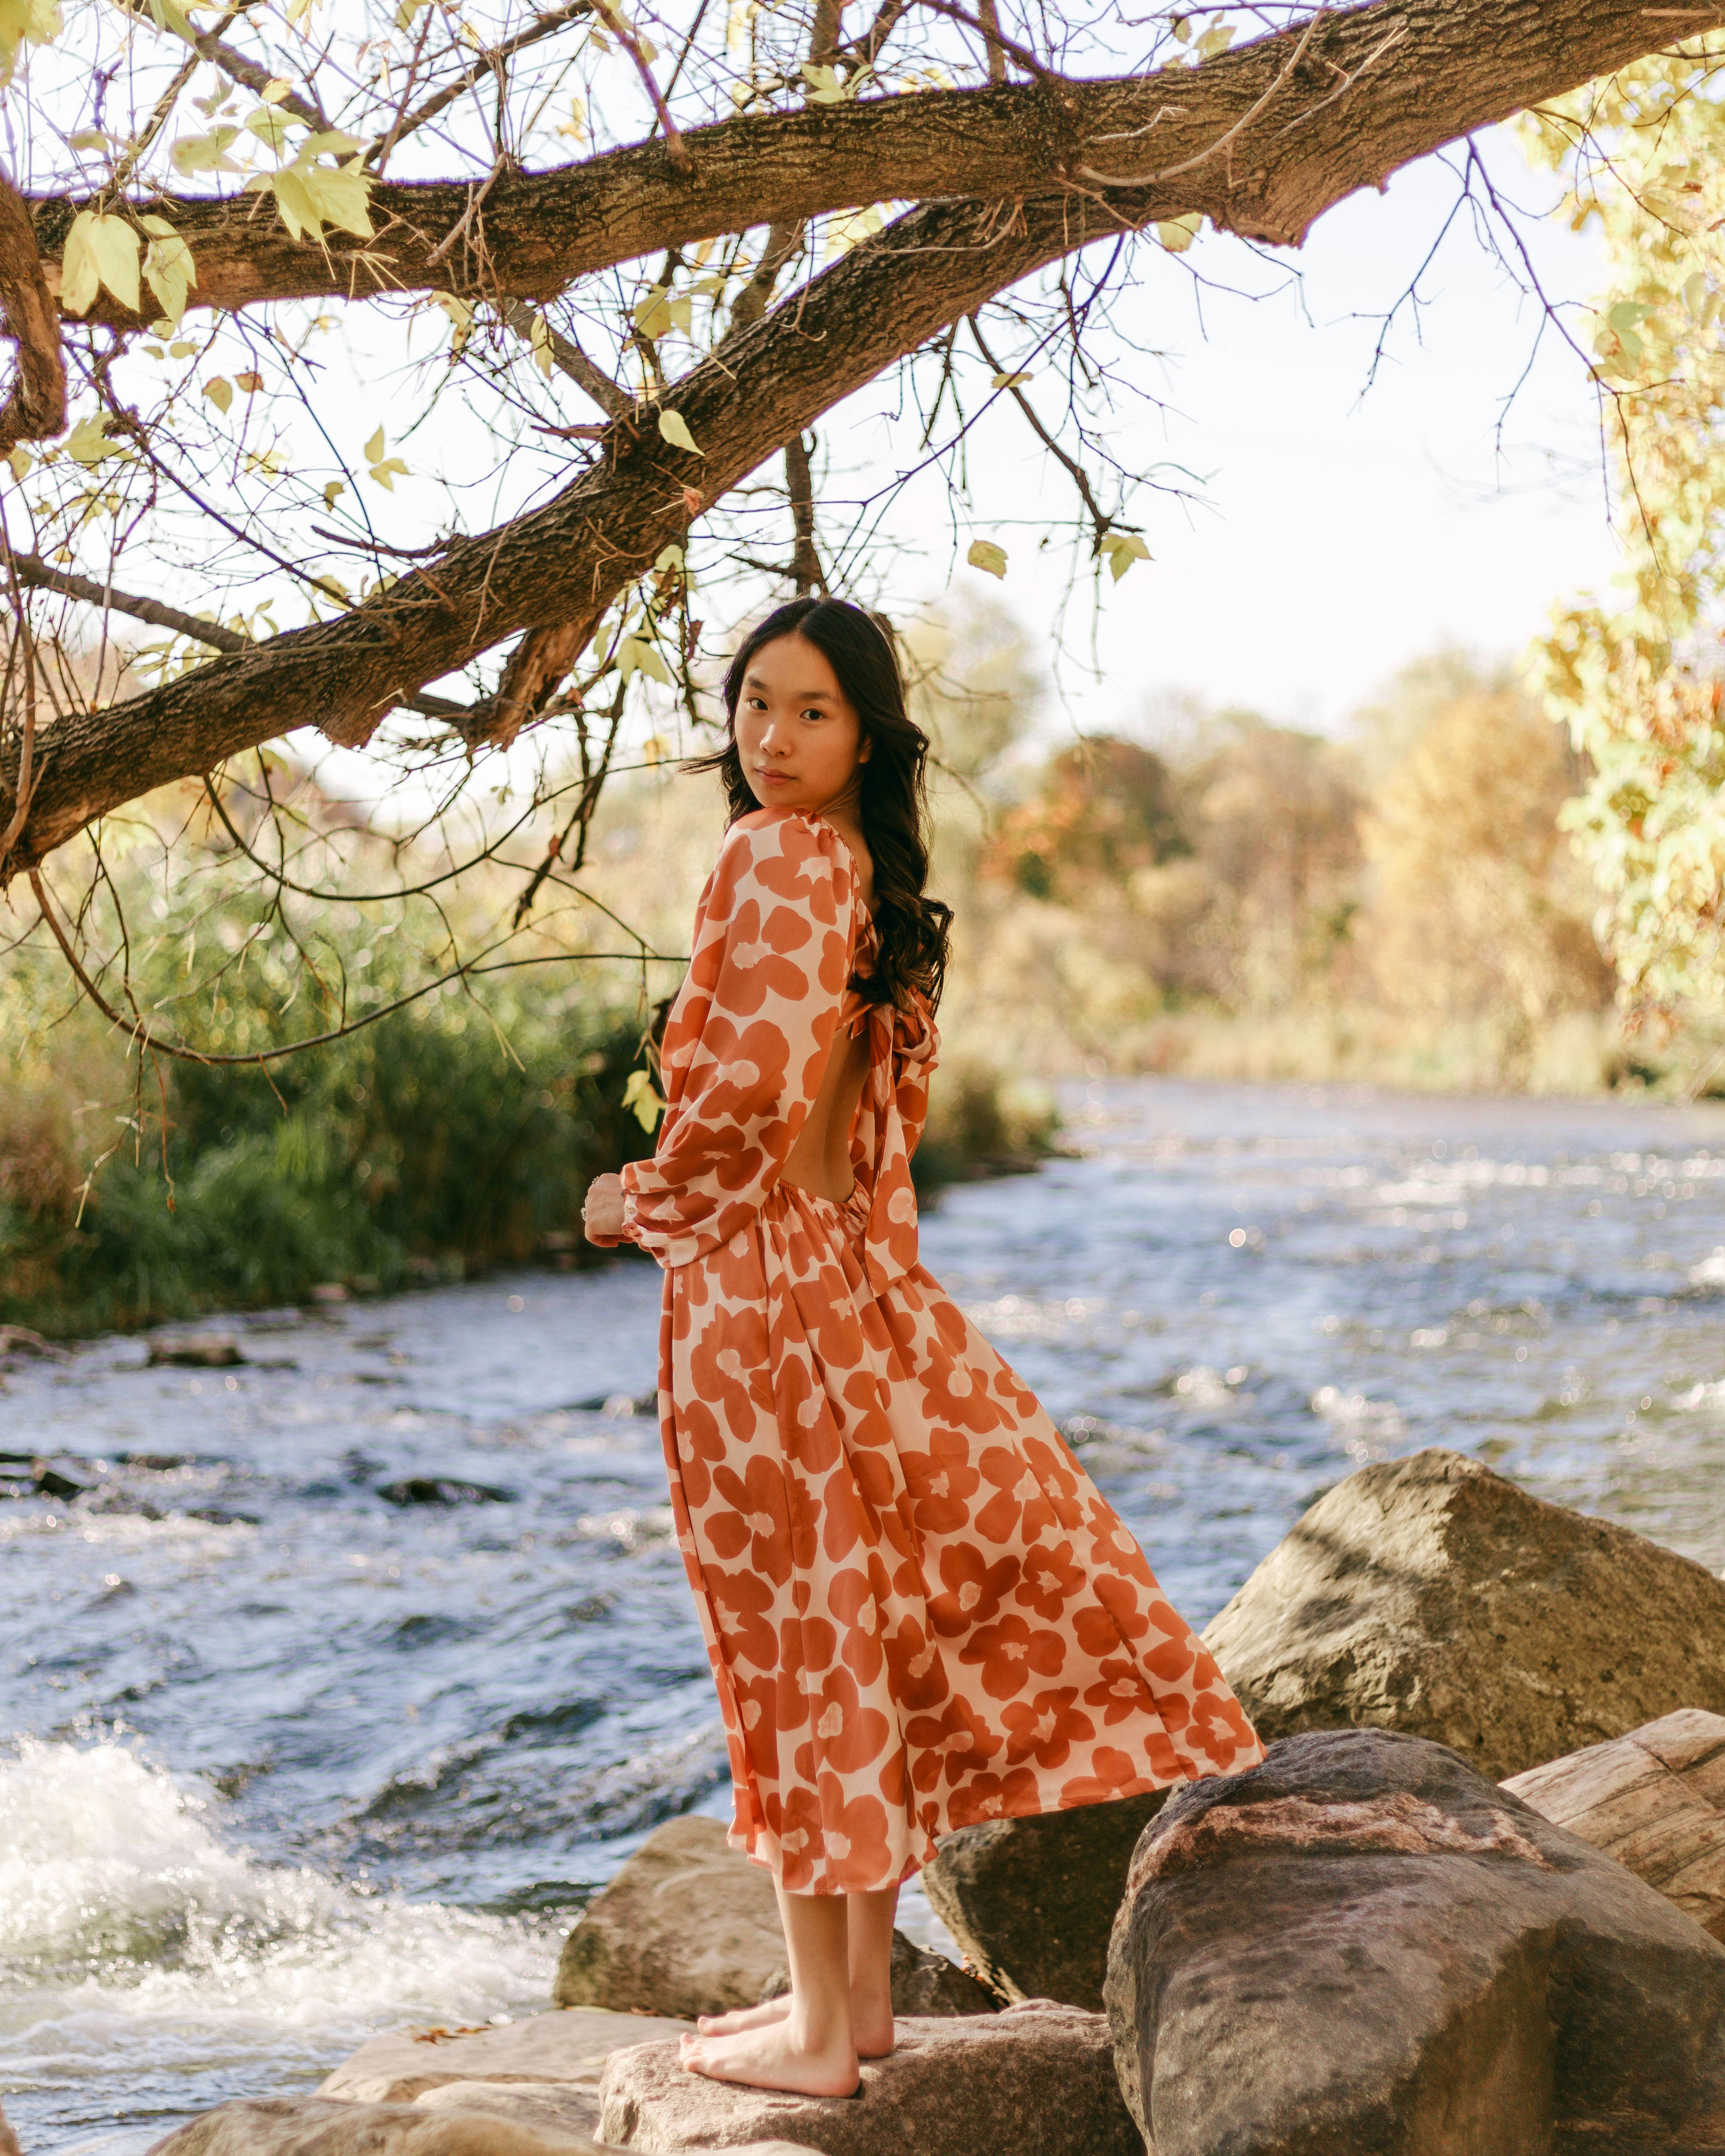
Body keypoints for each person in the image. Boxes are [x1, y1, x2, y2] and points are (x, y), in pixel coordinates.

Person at [582, 596, 1262, 2098]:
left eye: (811, 710)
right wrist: (877, 1296)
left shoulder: (771, 859)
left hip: (757, 1297)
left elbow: (750, 1101)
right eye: (755, 701)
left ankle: (828, 2031)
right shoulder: (855, 872)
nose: (771, 735)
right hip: (834, 1278)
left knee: (794, 1649)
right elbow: (870, 1141)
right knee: (839, 1644)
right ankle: (843, 2007)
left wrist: (637, 1196)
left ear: (867, 730)